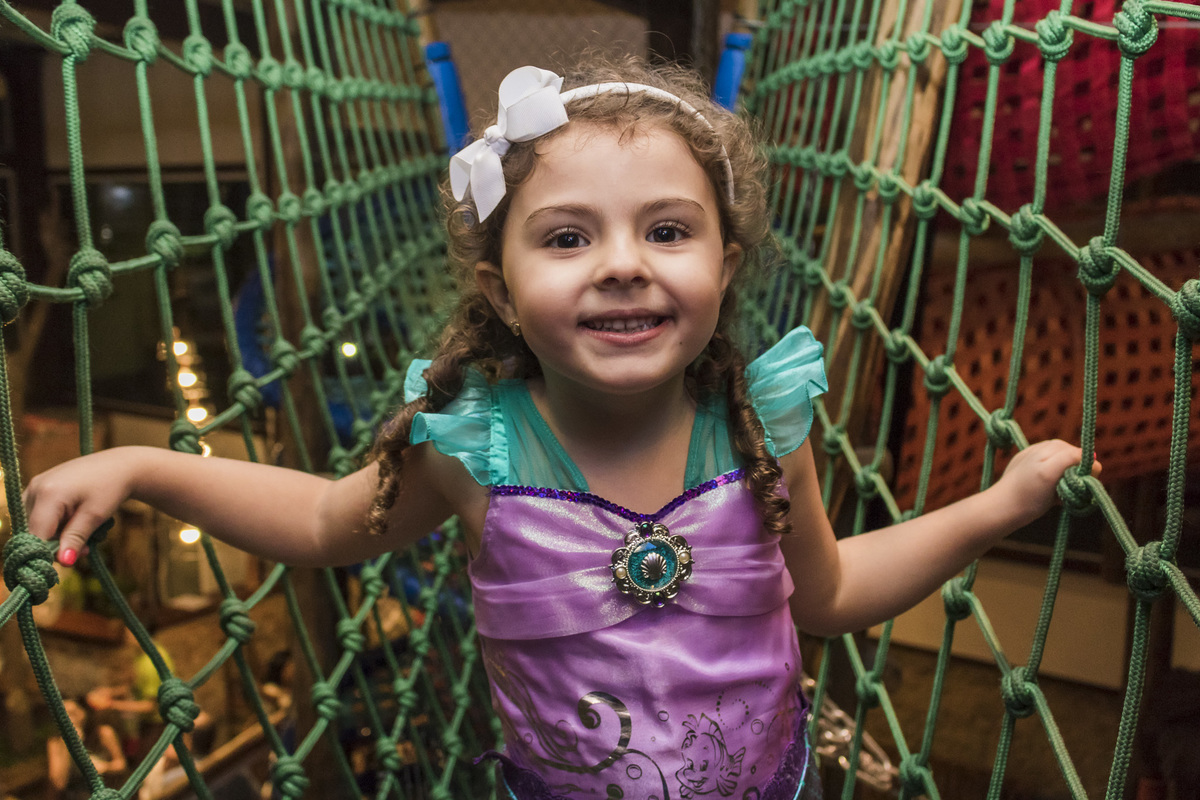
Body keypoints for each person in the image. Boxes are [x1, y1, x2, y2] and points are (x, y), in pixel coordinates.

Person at [25, 56, 1097, 800]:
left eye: (667, 229)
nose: (623, 261)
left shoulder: (760, 427)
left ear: (724, 265)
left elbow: (827, 594)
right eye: (568, 235)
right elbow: (318, 516)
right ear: (500, 287)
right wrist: (145, 462)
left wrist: (994, 507)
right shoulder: (473, 441)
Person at [46, 697, 126, 800]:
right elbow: (59, 782)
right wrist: (67, 747)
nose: (70, 719)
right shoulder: (56, 742)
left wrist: (105, 767)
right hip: (75, 795)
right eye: (64, 715)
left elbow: (121, 764)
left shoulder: (103, 733)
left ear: (84, 712)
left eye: (73, 713)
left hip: (105, 791)